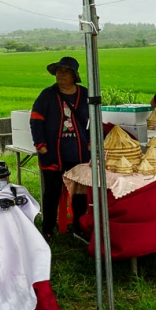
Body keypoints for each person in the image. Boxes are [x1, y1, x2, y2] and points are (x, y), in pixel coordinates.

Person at [30, 56, 91, 241]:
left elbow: (93, 120)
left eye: (65, 71)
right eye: (58, 71)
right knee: (52, 193)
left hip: (78, 153)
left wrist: (91, 141)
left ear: (74, 75)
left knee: (80, 193)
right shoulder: (47, 95)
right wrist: (40, 146)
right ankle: (47, 229)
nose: (60, 75)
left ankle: (79, 228)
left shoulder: (85, 95)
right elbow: (35, 120)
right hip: (53, 154)